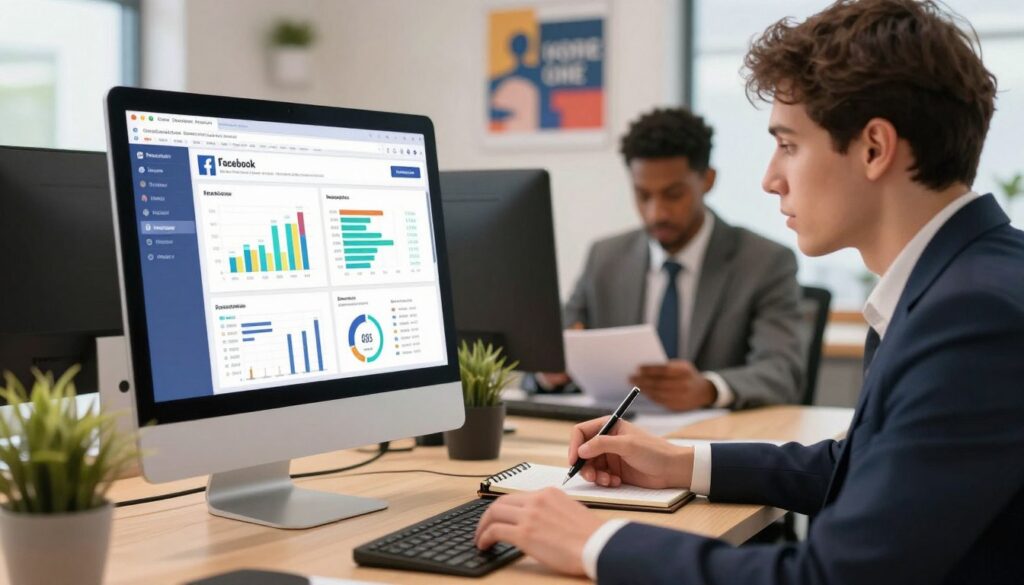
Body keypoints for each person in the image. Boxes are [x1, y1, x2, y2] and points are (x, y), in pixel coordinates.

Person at [475, 1, 1024, 582]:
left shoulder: (973, 315)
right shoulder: (962, 281)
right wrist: (680, 462)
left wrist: (596, 543)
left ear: (874, 148)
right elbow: (859, 466)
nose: (769, 178)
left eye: (788, 144)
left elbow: (831, 578)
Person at [537, 107, 804, 411]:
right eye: (643, 195)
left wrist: (708, 389)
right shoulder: (604, 258)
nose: (656, 213)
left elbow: (782, 372)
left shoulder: (764, 262)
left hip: (715, 442)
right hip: (618, 435)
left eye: (673, 194)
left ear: (707, 180)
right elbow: (557, 351)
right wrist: (550, 371)